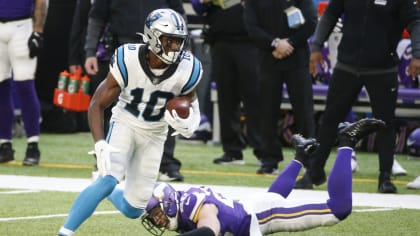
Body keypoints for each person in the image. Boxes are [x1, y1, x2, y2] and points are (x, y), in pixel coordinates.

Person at [57, 9, 202, 235]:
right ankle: (65, 232)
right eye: (169, 41)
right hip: (126, 122)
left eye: (178, 42)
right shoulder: (128, 58)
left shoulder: (188, 68)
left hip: (155, 134)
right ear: (152, 37)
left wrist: (192, 121)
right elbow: (97, 103)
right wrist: (99, 143)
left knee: (134, 209)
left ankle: (106, 191)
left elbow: (192, 102)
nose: (175, 47)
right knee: (108, 179)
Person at [140, 118, 386, 236]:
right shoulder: (183, 205)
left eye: (158, 214)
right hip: (252, 208)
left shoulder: (192, 205)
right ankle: (301, 155)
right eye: (154, 218)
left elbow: (210, 230)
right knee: (274, 197)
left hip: (261, 216)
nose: (158, 221)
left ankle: (346, 140)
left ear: (169, 202)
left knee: (338, 210)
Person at [295, 0, 420, 193]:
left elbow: (415, 22)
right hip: (347, 65)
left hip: (382, 68)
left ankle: (385, 177)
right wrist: (317, 46)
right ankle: (314, 172)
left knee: (385, 123)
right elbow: (330, 15)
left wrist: (417, 55)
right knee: (329, 119)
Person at [82, 0, 187, 181]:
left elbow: (179, 15)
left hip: (162, 49)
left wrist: (185, 48)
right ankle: (108, 157)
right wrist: (90, 51)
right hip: (123, 46)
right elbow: (97, 17)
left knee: (164, 104)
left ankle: (166, 163)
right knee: (113, 105)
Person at [243, 0, 317, 174]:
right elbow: (251, 27)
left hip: (297, 58)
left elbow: (311, 21)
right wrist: (275, 43)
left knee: (304, 110)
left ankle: (308, 158)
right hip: (268, 58)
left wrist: (290, 43)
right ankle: (269, 158)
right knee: (267, 111)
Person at [191, 0, 263, 165]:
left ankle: (263, 151)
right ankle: (232, 151)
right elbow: (198, 7)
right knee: (226, 97)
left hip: (250, 41)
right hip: (220, 40)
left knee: (255, 97)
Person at [0, 0, 47, 166]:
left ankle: (32, 145)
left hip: (22, 25)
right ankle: (4, 144)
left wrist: (38, 31)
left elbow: (41, 1)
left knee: (24, 84)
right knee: (1, 86)